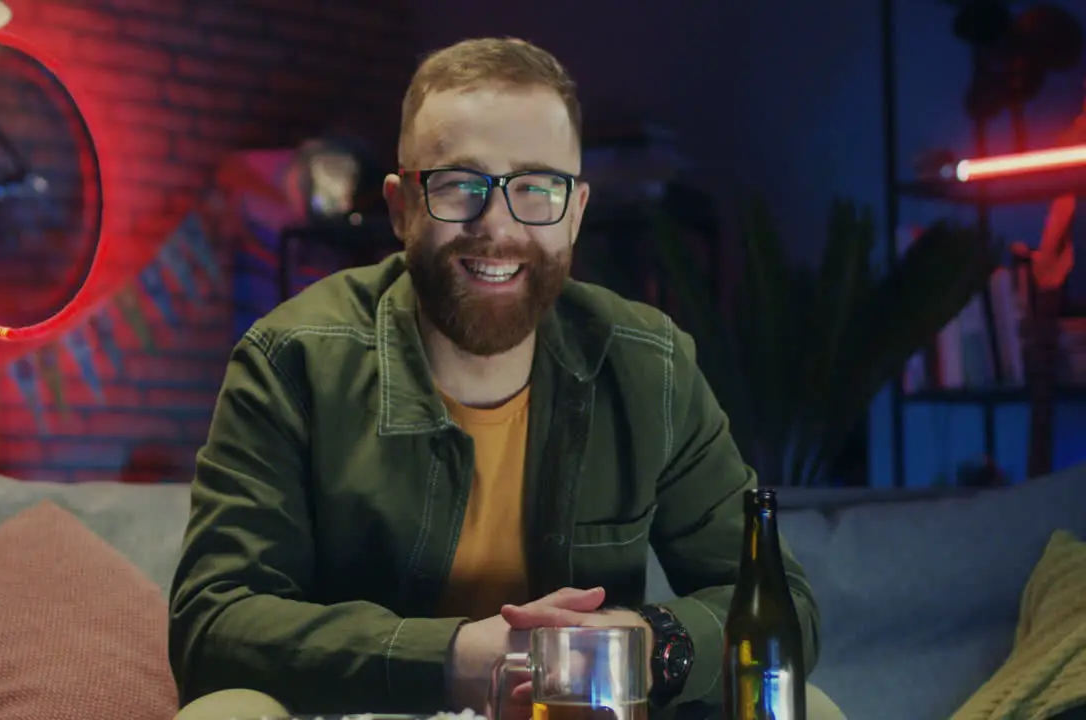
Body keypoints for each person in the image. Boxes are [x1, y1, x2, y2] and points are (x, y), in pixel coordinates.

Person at [169, 37, 843, 720]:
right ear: (402, 209)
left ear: (576, 212)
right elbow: (213, 627)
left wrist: (650, 641)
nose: (497, 226)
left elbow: (784, 608)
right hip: (370, 714)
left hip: (588, 711)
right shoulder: (291, 360)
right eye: (461, 185)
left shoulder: (649, 365)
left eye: (536, 188)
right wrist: (462, 657)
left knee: (804, 708)